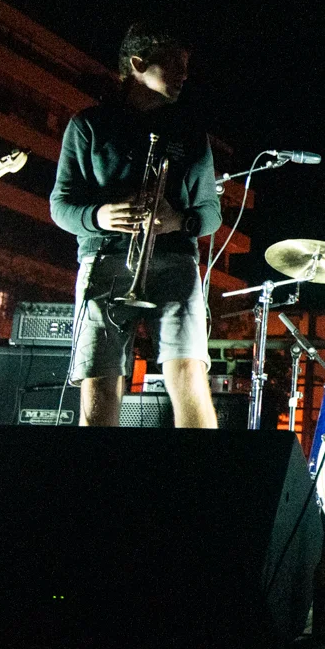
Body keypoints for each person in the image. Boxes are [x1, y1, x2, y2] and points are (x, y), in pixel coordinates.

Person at [51, 26, 221, 428]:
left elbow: (211, 213)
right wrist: (98, 217)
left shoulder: (190, 132)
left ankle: (206, 467)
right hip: (105, 257)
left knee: (189, 373)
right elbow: (60, 205)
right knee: (99, 380)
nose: (184, 74)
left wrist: (179, 220)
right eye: (174, 64)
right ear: (138, 64)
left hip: (175, 259)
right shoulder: (88, 124)